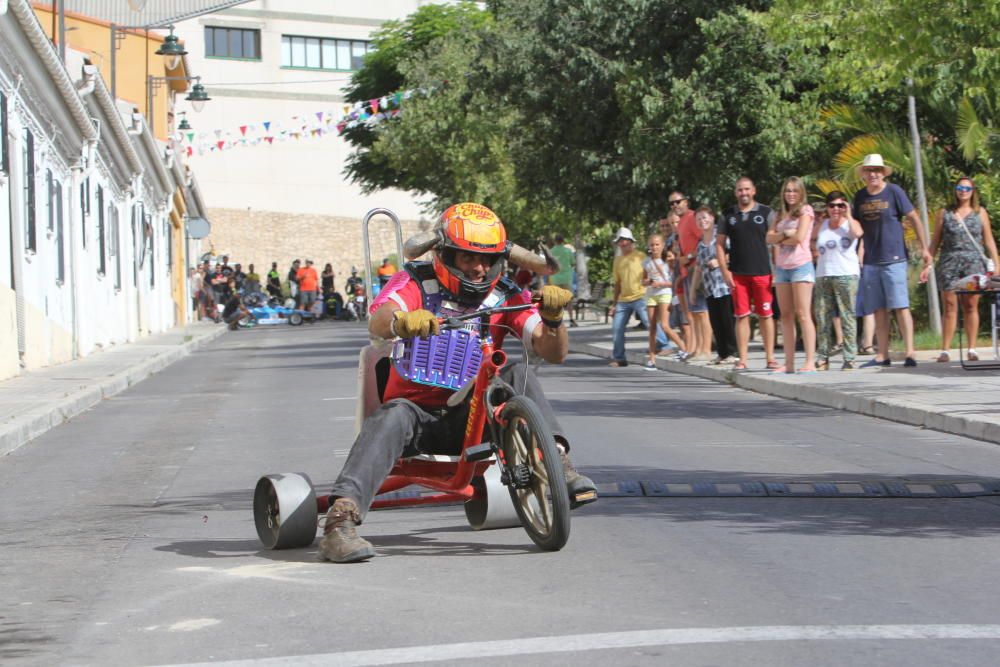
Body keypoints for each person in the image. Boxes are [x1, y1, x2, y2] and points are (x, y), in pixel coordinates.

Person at [319, 203, 597, 563]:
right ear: (445, 255)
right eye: (467, 259)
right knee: (393, 415)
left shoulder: (505, 293)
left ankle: (559, 464)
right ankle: (340, 521)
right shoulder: (415, 281)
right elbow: (379, 319)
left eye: (488, 260)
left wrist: (555, 320)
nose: (479, 269)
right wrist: (403, 321)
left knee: (516, 372)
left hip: (480, 419)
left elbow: (551, 351)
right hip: (421, 418)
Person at [852, 154, 933, 368]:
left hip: (894, 257)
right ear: (864, 174)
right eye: (869, 171)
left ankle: (910, 352)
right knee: (878, 308)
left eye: (877, 170)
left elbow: (913, 217)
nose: (873, 174)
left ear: (883, 172)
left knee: (900, 305)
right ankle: (882, 354)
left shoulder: (894, 191)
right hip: (871, 259)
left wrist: (924, 247)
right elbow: (857, 226)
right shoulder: (860, 197)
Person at [928, 176, 999, 362]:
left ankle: (972, 348)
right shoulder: (945, 213)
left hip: (973, 262)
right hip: (949, 261)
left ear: (973, 191)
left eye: (967, 188)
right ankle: (945, 349)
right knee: (950, 306)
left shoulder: (980, 212)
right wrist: (927, 262)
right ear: (955, 190)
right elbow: (936, 241)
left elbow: (988, 239)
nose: (963, 191)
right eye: (960, 187)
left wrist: (996, 264)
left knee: (970, 305)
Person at [717, 177, 778, 371]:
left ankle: (770, 358)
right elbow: (719, 245)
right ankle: (742, 359)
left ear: (754, 191)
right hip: (738, 274)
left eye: (747, 189)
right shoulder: (728, 215)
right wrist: (725, 272)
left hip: (762, 272)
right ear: (735, 192)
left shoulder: (766, 212)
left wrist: (775, 269)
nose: (743, 193)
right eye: (739, 190)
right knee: (741, 316)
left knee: (766, 315)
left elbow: (774, 241)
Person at [767, 176, 817, 373]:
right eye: (788, 190)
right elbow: (768, 238)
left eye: (795, 190)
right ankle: (789, 363)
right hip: (782, 268)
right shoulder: (780, 214)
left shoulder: (806, 211)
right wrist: (783, 236)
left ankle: (810, 361)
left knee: (803, 314)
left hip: (801, 266)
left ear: (801, 192)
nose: (791, 194)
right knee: (785, 316)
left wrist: (781, 239)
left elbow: (799, 238)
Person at [813, 191, 863, 370]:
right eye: (832, 205)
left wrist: (848, 214)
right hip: (823, 273)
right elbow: (811, 240)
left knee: (847, 315)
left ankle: (849, 357)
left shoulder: (850, 223)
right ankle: (823, 356)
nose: (836, 209)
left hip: (846, 274)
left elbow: (857, 233)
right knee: (822, 316)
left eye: (840, 205)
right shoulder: (822, 224)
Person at [672, 191, 712, 360]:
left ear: (686, 201)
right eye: (671, 203)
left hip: (697, 268)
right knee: (694, 312)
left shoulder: (692, 218)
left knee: (702, 311)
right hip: (687, 271)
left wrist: (688, 258)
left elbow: (704, 240)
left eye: (678, 201)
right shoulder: (681, 222)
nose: (675, 205)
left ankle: (706, 349)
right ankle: (697, 349)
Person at [695, 207, 737, 364]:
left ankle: (733, 352)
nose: (702, 221)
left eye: (705, 217)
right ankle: (722, 353)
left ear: (712, 218)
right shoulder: (700, 245)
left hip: (724, 285)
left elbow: (732, 253)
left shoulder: (720, 237)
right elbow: (699, 267)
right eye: (699, 219)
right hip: (709, 288)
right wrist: (693, 290)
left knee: (728, 320)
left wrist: (720, 261)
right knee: (716, 321)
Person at [642, 233, 686, 369]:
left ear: (662, 245)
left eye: (657, 244)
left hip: (664, 294)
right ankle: (652, 359)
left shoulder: (668, 261)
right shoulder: (646, 262)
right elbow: (643, 281)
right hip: (651, 294)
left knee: (665, 325)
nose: (654, 247)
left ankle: (684, 349)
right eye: (652, 245)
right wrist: (648, 282)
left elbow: (672, 281)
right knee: (652, 327)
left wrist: (660, 284)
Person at [609, 227, 649, 367]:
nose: (623, 244)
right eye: (620, 241)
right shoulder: (618, 260)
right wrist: (614, 304)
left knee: (649, 322)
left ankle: (663, 346)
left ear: (631, 241)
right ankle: (619, 358)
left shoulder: (641, 256)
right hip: (624, 299)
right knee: (617, 328)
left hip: (640, 296)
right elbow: (618, 283)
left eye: (625, 240)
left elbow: (649, 272)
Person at [547, 234, 578, 327]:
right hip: (566, 278)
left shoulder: (551, 252)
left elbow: (548, 265)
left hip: (555, 278)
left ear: (555, 241)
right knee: (569, 300)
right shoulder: (567, 251)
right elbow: (573, 263)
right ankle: (571, 319)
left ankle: (557, 320)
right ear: (563, 241)